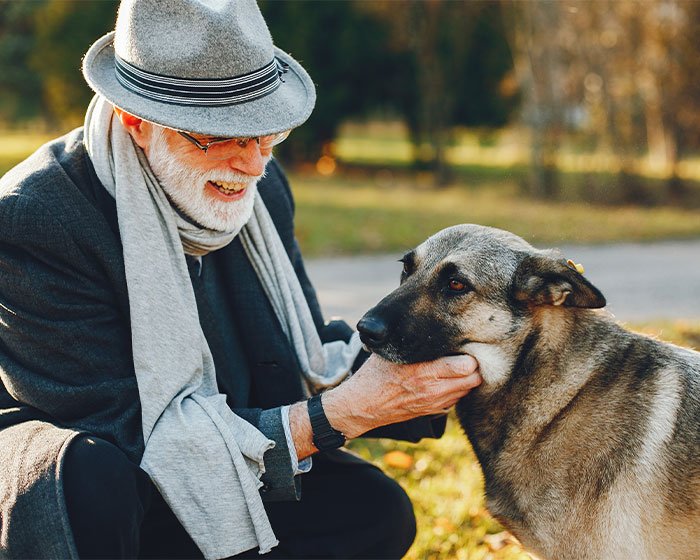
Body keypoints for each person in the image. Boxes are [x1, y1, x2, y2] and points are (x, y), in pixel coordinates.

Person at [0, 1, 481, 558]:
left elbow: (298, 351)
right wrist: (345, 413)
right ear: (136, 121)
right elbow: (127, 436)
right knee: (88, 479)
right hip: (96, 475)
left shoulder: (261, 185)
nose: (252, 163)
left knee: (374, 510)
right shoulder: (34, 219)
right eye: (222, 135)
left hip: (223, 436)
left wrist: (447, 363)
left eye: (264, 133)